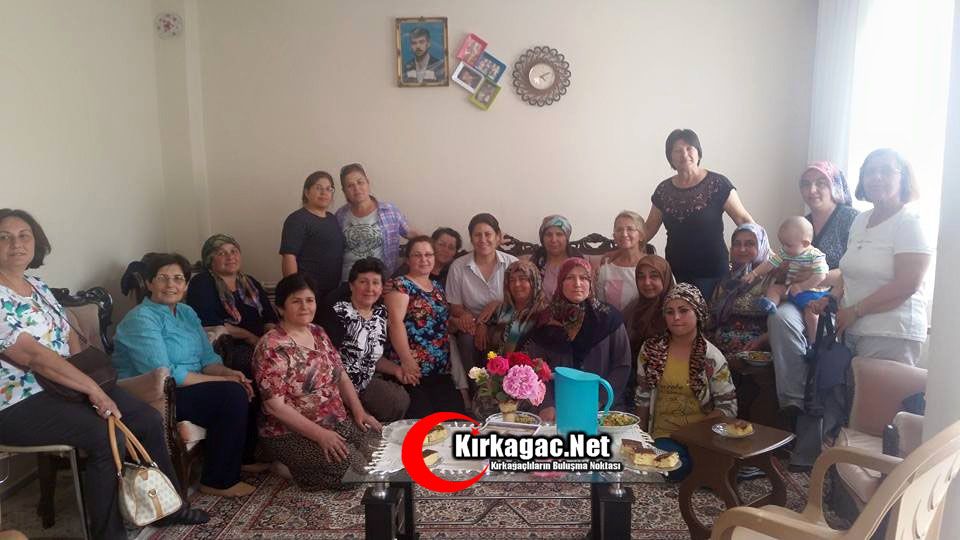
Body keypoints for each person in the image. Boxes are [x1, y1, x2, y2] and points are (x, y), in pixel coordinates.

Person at [0, 210, 208, 539]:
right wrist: (93, 391)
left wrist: (89, 382)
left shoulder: (36, 286)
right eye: (4, 237)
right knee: (103, 435)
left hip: (63, 385)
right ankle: (109, 535)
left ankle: (169, 508)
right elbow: (34, 356)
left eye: (24, 235)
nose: (16, 244)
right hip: (18, 400)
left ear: (36, 242)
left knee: (146, 418)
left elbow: (69, 338)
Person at [113, 253, 255, 498]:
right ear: (149, 283)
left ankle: (243, 459)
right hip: (155, 395)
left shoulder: (187, 312)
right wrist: (223, 381)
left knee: (246, 381)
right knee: (230, 394)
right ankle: (218, 480)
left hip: (189, 385)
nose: (171, 285)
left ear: (186, 284)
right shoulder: (141, 318)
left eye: (178, 278)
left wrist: (230, 373)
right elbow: (167, 375)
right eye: (163, 278)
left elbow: (207, 359)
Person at [253, 273, 381, 490]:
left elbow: (340, 374)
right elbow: (275, 407)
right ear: (281, 308)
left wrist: (359, 412)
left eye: (309, 300)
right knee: (354, 474)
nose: (305, 307)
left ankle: (318, 460)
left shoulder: (318, 332)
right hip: (291, 433)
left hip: (335, 419)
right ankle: (286, 467)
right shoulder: (272, 347)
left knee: (378, 448)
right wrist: (320, 435)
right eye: (296, 301)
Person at [815, 149, 933, 365]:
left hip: (892, 333)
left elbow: (907, 284)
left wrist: (856, 311)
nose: (876, 177)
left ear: (903, 178)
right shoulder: (860, 220)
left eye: (886, 171)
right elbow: (849, 272)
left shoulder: (909, 223)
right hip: (853, 329)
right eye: (870, 172)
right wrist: (832, 297)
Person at [767, 161, 859, 414]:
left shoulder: (851, 219)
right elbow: (786, 262)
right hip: (798, 296)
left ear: (835, 186)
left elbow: (852, 269)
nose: (812, 190)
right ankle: (794, 399)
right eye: (806, 184)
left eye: (820, 183)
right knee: (779, 318)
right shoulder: (800, 223)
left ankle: (820, 400)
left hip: (834, 296)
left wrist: (817, 277)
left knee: (820, 330)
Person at [187, 233, 277, 465]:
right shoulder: (202, 283)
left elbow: (269, 316)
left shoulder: (250, 282)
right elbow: (211, 323)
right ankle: (245, 453)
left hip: (258, 343)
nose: (230, 257)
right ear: (210, 260)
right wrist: (250, 337)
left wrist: (269, 339)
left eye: (234, 251)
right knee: (254, 371)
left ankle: (278, 438)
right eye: (222, 253)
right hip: (225, 348)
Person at [636, 283, 738, 480]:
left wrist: (692, 433)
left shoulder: (712, 357)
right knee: (671, 465)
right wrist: (640, 440)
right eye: (669, 312)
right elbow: (642, 396)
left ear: (698, 313)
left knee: (710, 467)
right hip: (664, 435)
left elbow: (728, 407)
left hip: (701, 436)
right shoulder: (651, 350)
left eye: (683, 311)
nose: (676, 317)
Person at [644, 129, 754, 299]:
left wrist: (766, 250)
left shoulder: (717, 183)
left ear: (698, 152)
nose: (684, 154)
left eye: (689, 148)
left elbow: (743, 219)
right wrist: (620, 252)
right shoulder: (663, 190)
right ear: (670, 157)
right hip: (676, 270)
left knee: (708, 314)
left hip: (712, 270)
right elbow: (648, 228)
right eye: (677, 150)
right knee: (680, 314)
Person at [519, 258, 632, 421]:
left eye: (583, 278)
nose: (577, 284)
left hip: (603, 407)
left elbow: (622, 365)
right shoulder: (545, 320)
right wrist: (546, 404)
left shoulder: (609, 318)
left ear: (591, 283)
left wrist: (599, 400)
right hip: (557, 408)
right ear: (560, 282)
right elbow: (535, 368)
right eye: (570, 278)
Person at [385, 237, 466, 418]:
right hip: (412, 371)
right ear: (408, 260)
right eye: (417, 255)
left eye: (428, 255)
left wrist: (460, 322)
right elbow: (395, 323)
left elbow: (441, 322)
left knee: (457, 421)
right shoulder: (401, 285)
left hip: (440, 370)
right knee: (424, 423)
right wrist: (407, 360)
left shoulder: (437, 287)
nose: (424, 259)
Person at [321, 258, 409, 422]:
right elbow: (329, 363)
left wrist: (397, 370)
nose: (370, 288)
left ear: (382, 288)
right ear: (351, 285)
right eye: (363, 282)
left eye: (375, 283)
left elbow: (371, 357)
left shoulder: (380, 313)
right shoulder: (339, 313)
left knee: (400, 400)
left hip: (366, 382)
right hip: (339, 386)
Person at [446, 213, 518, 373]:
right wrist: (477, 322)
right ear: (471, 239)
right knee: (466, 340)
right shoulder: (458, 267)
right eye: (477, 235)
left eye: (488, 234)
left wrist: (497, 305)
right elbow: (455, 307)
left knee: (504, 335)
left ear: (498, 236)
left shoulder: (512, 264)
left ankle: (504, 383)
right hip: (472, 322)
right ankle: (475, 386)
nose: (483, 239)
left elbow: (521, 302)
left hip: (504, 321)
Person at [743, 217, 829, 342]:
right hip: (791, 289)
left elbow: (821, 276)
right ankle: (770, 304)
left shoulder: (815, 256)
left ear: (805, 243)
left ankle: (814, 343)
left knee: (811, 315)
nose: (784, 248)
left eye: (788, 245)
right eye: (782, 244)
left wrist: (802, 287)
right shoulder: (786, 251)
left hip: (812, 292)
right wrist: (754, 273)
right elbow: (769, 263)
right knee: (774, 289)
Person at [335, 163, 418, 280]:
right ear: (344, 191)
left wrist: (432, 247)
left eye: (360, 182)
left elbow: (410, 233)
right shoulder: (340, 215)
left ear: (368, 183)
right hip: (349, 281)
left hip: (381, 281)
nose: (356, 188)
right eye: (350, 185)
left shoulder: (389, 211)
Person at [280, 171, 345, 302]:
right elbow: (289, 257)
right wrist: (295, 291)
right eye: (318, 188)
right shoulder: (297, 220)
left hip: (333, 291)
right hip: (308, 293)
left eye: (329, 189)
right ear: (306, 192)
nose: (324, 193)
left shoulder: (332, 219)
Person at [482, 260, 549, 354]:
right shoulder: (502, 309)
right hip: (494, 361)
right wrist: (482, 325)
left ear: (534, 282)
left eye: (522, 279)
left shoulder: (544, 314)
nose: (517, 284)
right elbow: (486, 323)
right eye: (512, 280)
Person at [596, 210, 647, 314]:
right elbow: (601, 306)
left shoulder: (653, 265)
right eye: (619, 230)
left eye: (630, 229)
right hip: (614, 323)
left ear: (641, 236)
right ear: (614, 237)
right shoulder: (606, 268)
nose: (624, 234)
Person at [629, 255, 677, 359]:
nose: (646, 282)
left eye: (654, 276)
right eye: (641, 277)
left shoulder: (677, 311)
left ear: (665, 278)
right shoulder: (631, 310)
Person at [532, 214, 583, 298]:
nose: (553, 240)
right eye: (548, 235)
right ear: (542, 239)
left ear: (566, 238)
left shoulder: (578, 261)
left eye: (559, 234)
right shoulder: (535, 261)